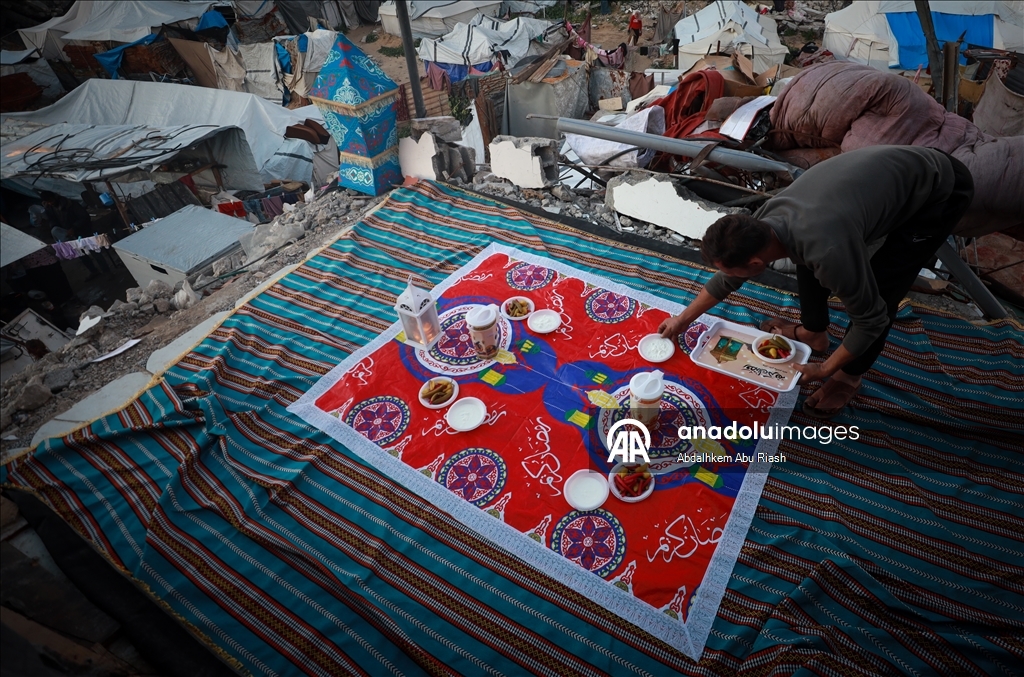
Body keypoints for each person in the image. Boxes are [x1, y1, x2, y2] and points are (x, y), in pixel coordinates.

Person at [658, 146, 974, 418]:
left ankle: (849, 377)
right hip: (889, 174)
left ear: (755, 265)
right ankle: (814, 333)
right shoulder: (764, 224)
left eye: (734, 271)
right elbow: (729, 278)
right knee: (807, 257)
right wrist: (682, 320)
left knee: (882, 288)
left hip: (940, 188)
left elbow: (872, 320)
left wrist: (824, 369)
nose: (730, 278)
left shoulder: (828, 250)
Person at [40, 191, 110, 277]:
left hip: (83, 231)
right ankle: (93, 271)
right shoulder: (49, 209)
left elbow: (84, 217)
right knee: (80, 254)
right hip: (69, 234)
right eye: (48, 202)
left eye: (51, 200)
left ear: (55, 197)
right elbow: (52, 221)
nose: (50, 203)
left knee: (94, 251)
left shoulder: (70, 204)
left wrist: (74, 228)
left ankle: (107, 271)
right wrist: (56, 229)